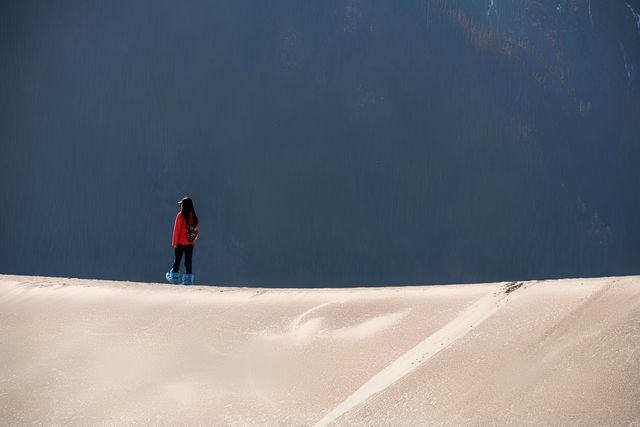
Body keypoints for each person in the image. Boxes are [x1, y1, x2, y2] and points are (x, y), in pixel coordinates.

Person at [166, 197, 199, 285]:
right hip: (190, 243)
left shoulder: (180, 215)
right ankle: (188, 280)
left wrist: (174, 243)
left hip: (180, 242)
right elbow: (195, 230)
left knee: (177, 260)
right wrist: (193, 241)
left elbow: (177, 230)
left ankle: (174, 277)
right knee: (188, 261)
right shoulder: (194, 216)